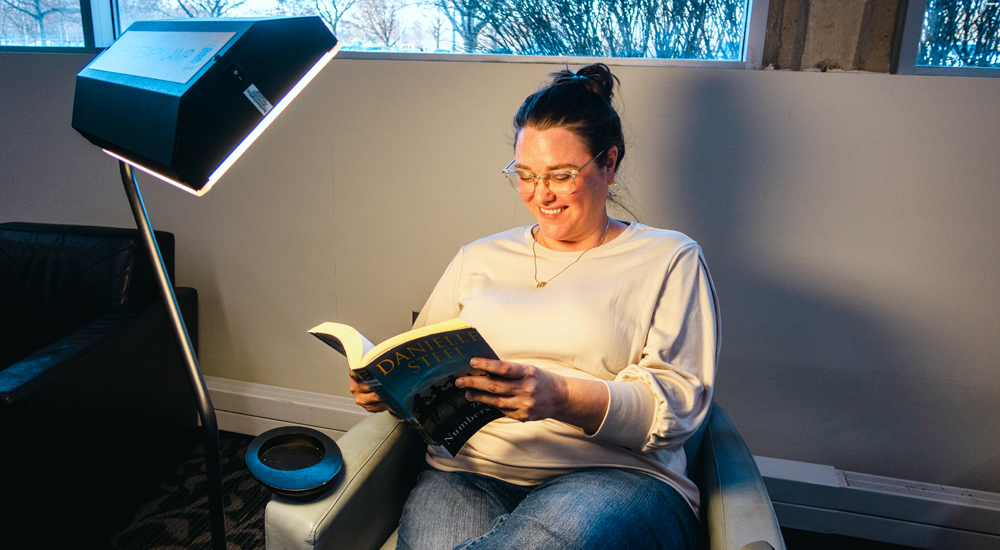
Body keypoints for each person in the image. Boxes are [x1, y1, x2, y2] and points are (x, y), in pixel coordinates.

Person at [349, 63, 719, 550]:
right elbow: (425, 371)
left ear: (608, 163)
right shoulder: (479, 257)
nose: (540, 195)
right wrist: (389, 391)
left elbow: (677, 407)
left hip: (614, 478)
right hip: (466, 474)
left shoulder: (670, 258)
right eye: (524, 175)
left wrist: (558, 396)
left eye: (561, 176)